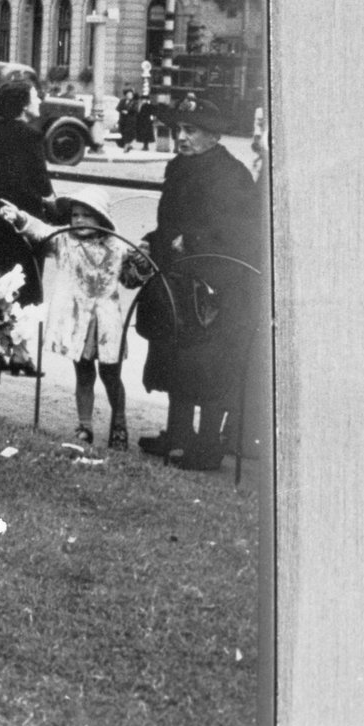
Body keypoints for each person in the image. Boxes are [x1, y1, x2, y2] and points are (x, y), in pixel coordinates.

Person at [132, 101, 265, 471]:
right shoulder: (179, 168)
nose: (182, 137)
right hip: (178, 282)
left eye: (192, 130)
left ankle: (206, 446)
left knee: (208, 367)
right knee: (174, 356)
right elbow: (169, 221)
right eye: (180, 129)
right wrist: (151, 241)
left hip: (217, 286)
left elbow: (240, 235)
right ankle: (177, 434)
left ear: (214, 136)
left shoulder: (231, 175)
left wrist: (191, 242)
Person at [0, 184, 138, 449]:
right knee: (83, 374)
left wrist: (140, 265)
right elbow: (39, 230)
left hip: (106, 322)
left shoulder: (118, 246)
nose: (79, 220)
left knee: (111, 375)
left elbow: (131, 279)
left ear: (101, 218)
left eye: (87, 214)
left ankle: (119, 424)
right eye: (75, 215)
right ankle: (84, 426)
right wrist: (20, 218)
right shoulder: (64, 241)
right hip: (76, 322)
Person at [0, 77, 55, 306]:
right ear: (23, 105)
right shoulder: (32, 136)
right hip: (27, 221)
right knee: (26, 289)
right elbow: (43, 185)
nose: (39, 100)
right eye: (35, 96)